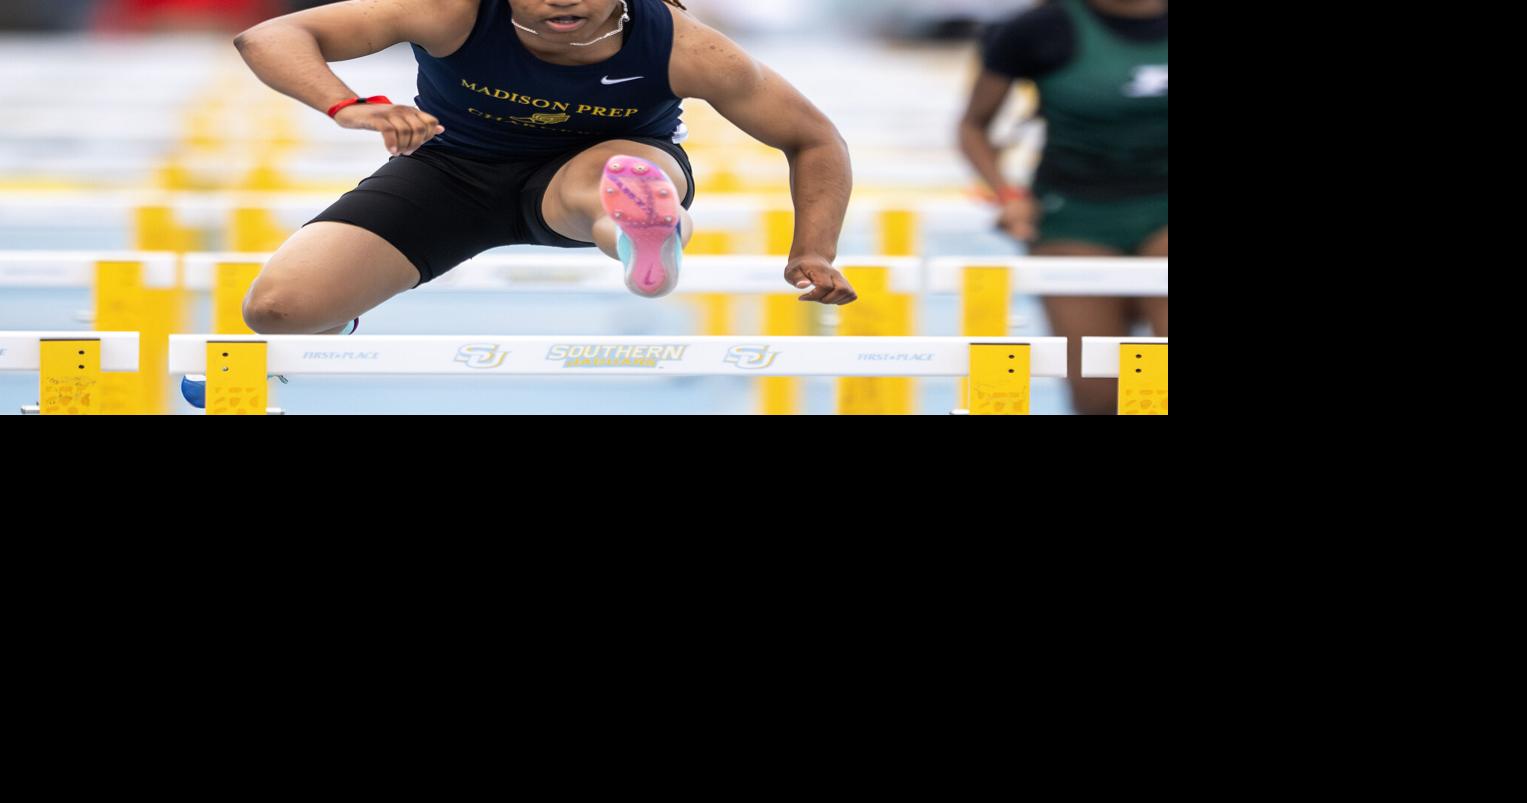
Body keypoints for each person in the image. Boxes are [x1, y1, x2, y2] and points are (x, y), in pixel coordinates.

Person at [233, 0, 857, 334]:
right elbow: (272, 36)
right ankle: (335, 322)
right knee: (280, 310)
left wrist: (815, 250)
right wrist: (346, 105)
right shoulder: (451, 10)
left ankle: (646, 239)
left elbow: (814, 139)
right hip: (452, 172)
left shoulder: (687, 46)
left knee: (617, 179)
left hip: (598, 170)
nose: (562, 0)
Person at [958, 0, 1166, 415]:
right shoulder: (1038, 29)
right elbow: (973, 127)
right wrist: (1008, 196)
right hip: (1073, 215)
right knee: (1099, 398)